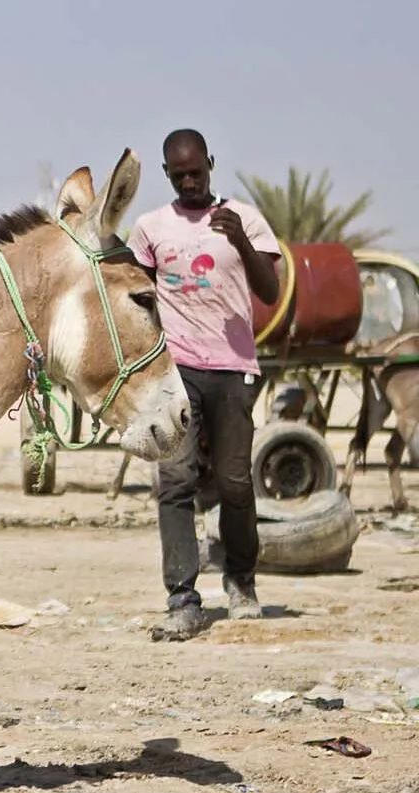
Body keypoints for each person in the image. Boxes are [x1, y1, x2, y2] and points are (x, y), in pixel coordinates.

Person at [127, 129, 282, 641]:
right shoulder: (150, 229)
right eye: (180, 175)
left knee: (236, 483)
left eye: (197, 172)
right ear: (168, 174)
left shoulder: (246, 219)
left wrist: (238, 238)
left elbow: (270, 290)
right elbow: (136, 300)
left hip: (234, 367)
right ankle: (183, 597)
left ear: (211, 164)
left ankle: (241, 581)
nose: (190, 182)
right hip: (177, 371)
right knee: (175, 482)